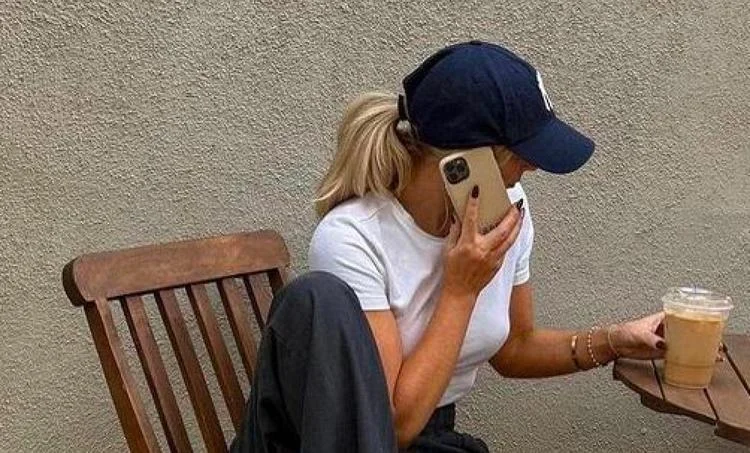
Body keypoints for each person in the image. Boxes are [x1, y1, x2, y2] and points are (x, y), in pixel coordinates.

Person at [231, 41, 665, 453]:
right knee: (317, 295)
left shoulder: (506, 213)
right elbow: (390, 427)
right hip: (338, 440)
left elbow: (514, 348)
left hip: (435, 438)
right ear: (463, 158)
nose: (532, 165)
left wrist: (615, 341)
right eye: (519, 152)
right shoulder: (353, 238)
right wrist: (460, 290)